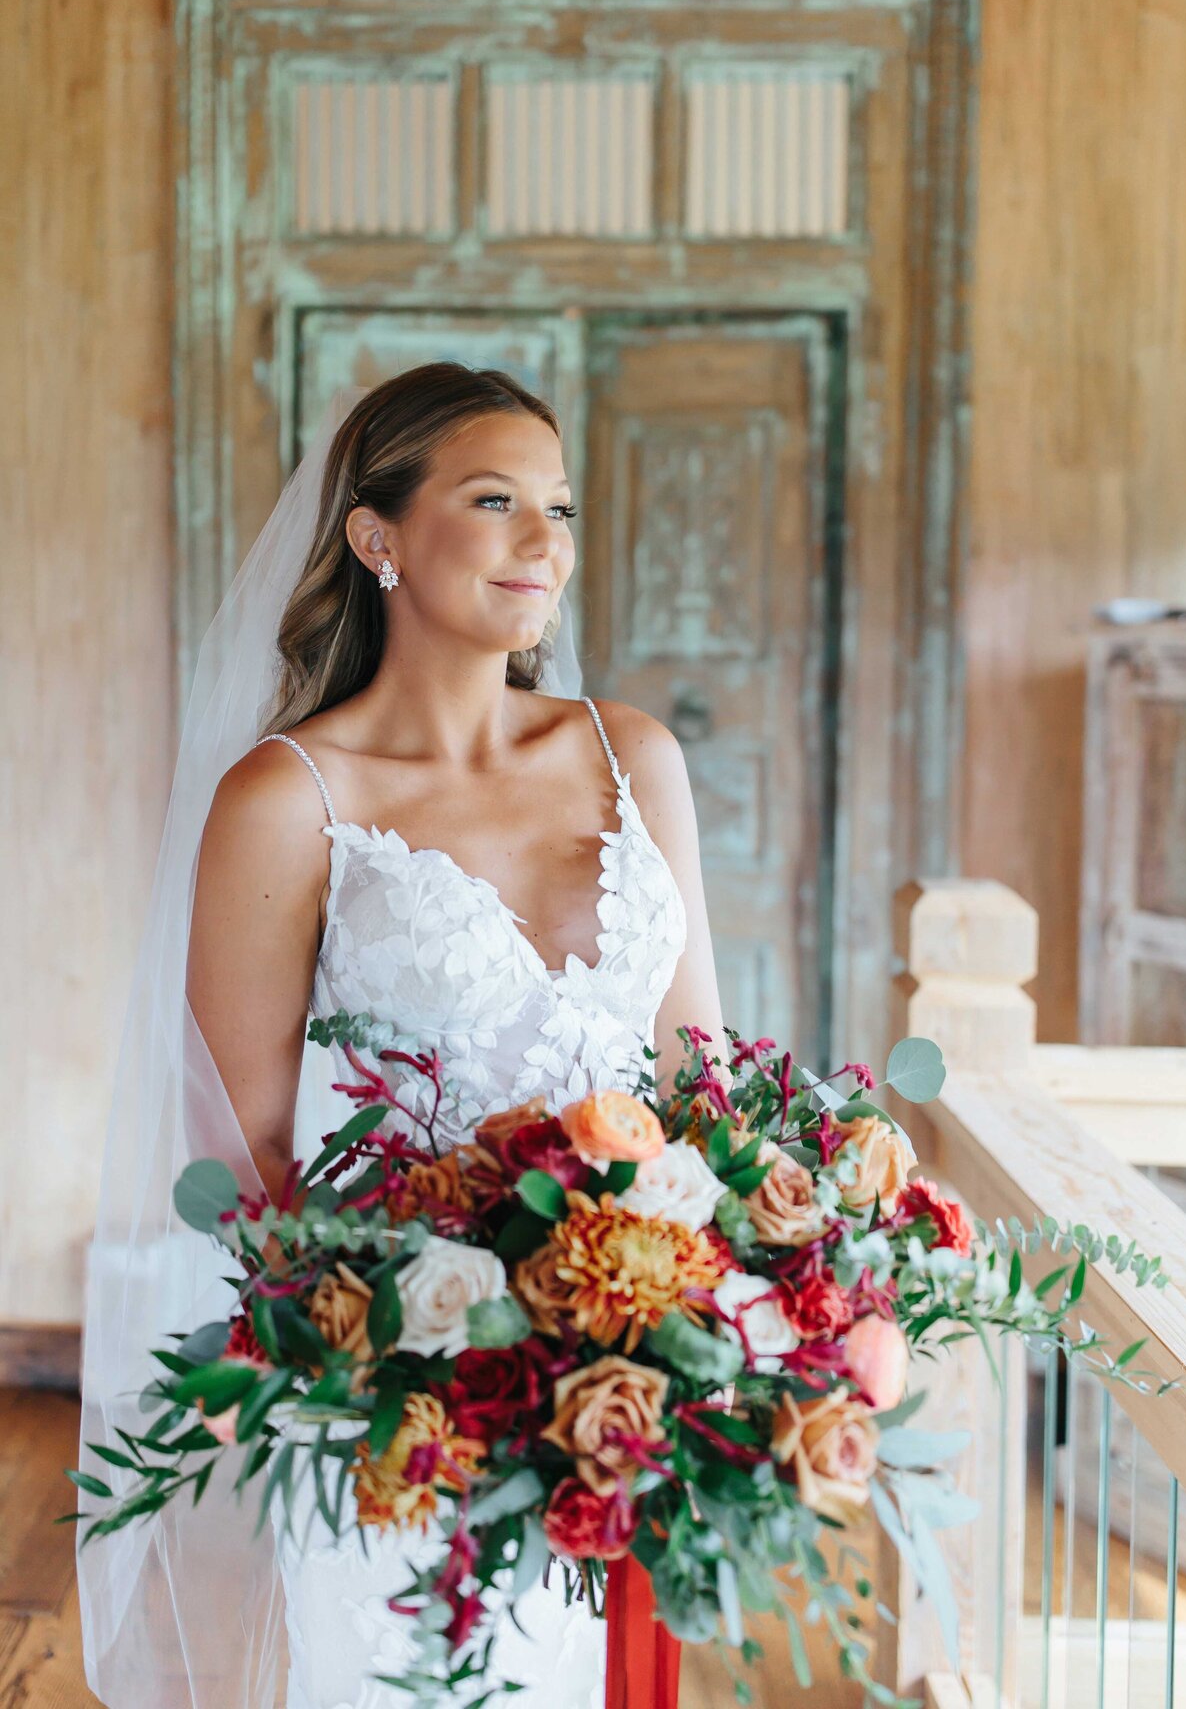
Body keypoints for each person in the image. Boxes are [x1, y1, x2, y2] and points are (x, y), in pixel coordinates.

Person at [77, 362, 729, 1709]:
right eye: (494, 501)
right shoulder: (290, 796)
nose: (544, 543)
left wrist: (667, 1329)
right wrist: (428, 1360)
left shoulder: (635, 755)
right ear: (376, 537)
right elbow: (248, 1143)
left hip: (623, 1384)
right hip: (404, 1395)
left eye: (559, 506)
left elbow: (696, 1083)